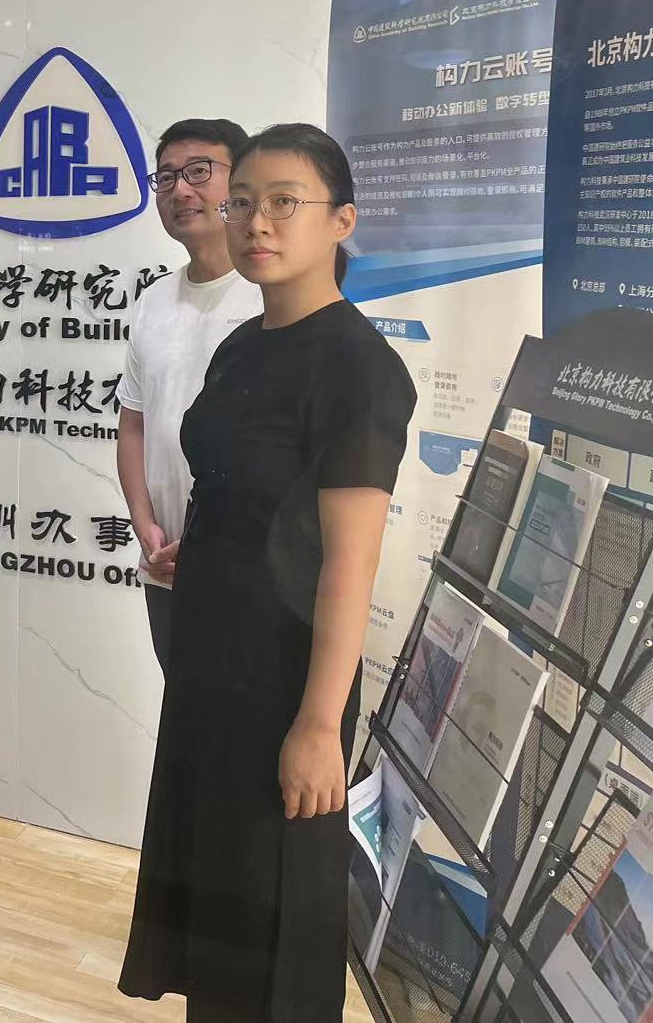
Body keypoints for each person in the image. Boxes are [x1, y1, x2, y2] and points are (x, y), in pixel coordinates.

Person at [118, 123, 415, 1019]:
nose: (256, 222)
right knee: (216, 882)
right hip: (209, 652)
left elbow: (349, 563)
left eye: (285, 202)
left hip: (284, 672)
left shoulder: (359, 368)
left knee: (272, 893)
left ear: (341, 221)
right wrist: (199, 548)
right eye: (243, 201)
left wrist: (319, 725)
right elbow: (234, 489)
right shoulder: (243, 345)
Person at [116, 118, 260, 667]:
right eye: (167, 176)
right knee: (180, 709)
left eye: (199, 171)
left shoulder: (271, 298)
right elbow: (134, 423)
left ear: (240, 184)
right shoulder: (152, 301)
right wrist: (143, 524)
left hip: (250, 579)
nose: (180, 189)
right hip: (166, 569)